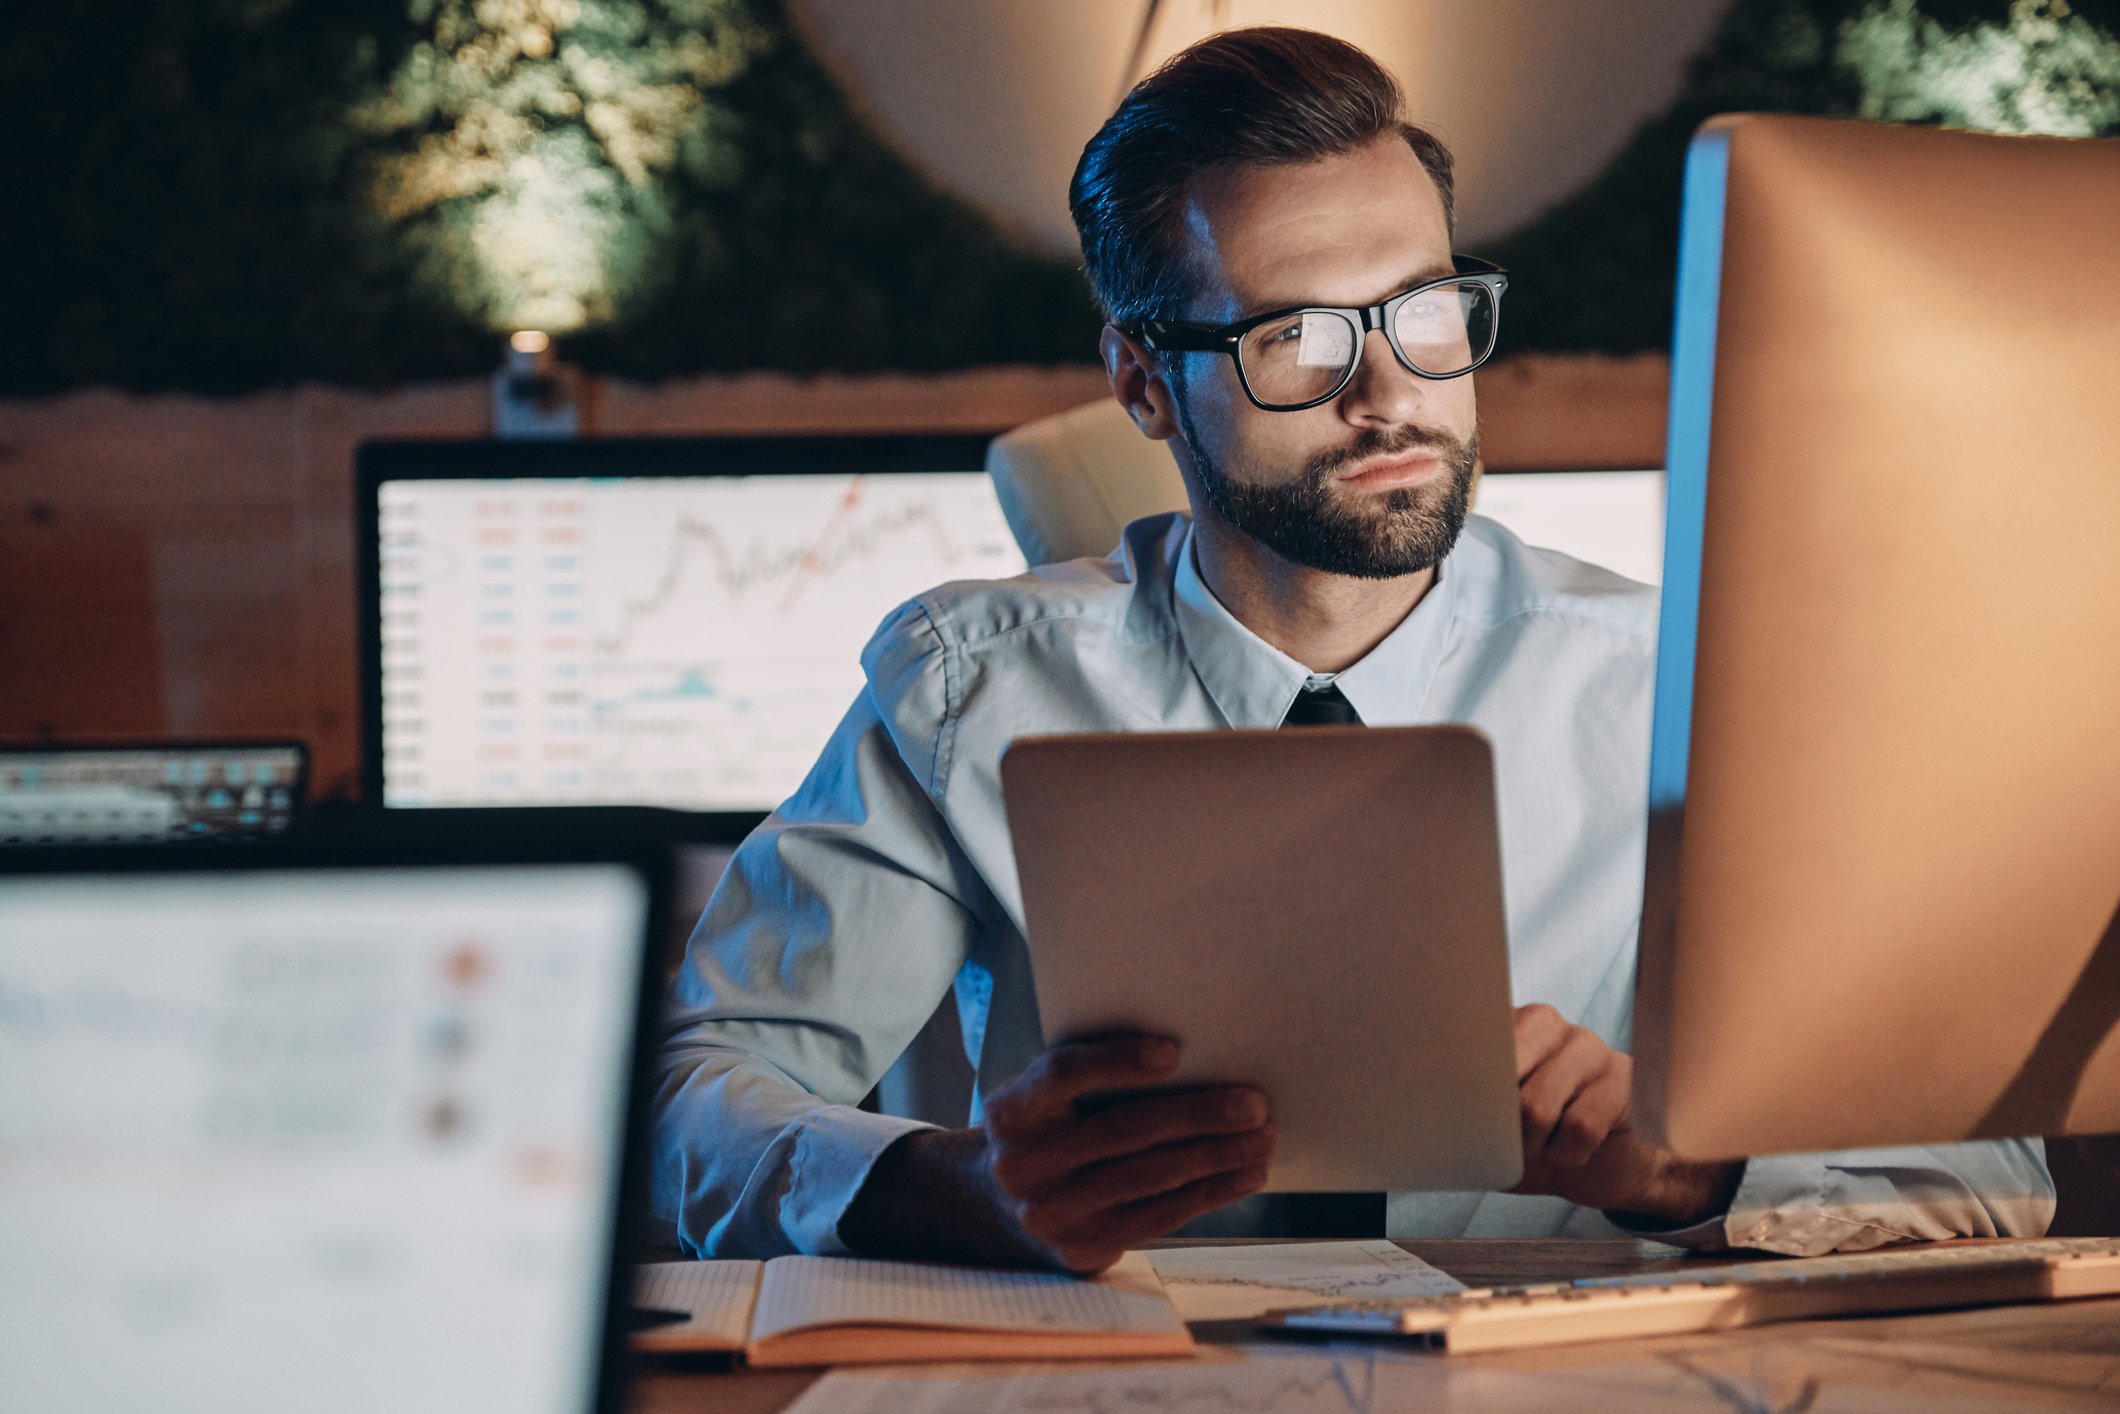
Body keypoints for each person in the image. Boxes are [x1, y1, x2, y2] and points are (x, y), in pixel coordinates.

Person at [650, 26, 2051, 1273]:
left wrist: (1681, 1173)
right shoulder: (970, 681)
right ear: (1144, 380)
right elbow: (688, 1093)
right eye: (1298, 337)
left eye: (1426, 309)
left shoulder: (1678, 691)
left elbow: (1990, 1170)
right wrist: (963, 1189)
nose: (1394, 395)